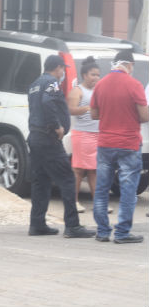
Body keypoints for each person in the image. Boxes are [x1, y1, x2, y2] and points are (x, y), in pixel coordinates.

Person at [27, 54, 95, 238]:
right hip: (48, 138)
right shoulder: (51, 82)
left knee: (41, 181)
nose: (63, 72)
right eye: (62, 69)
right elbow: (48, 102)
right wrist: (56, 125)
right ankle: (73, 226)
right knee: (68, 179)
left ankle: (37, 224)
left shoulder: (34, 84)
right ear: (57, 68)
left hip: (35, 137)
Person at [91, 49, 148, 243]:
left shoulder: (100, 85)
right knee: (128, 189)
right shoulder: (134, 85)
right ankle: (123, 233)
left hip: (105, 143)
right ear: (129, 65)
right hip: (128, 143)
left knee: (101, 189)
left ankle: (102, 232)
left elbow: (94, 114)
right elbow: (144, 116)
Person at [67, 57, 100, 213]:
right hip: (82, 134)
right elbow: (71, 110)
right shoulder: (77, 90)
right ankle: (73, 202)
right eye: (93, 74)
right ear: (85, 75)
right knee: (78, 170)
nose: (96, 78)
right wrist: (87, 108)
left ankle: (98, 203)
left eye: (97, 75)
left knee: (94, 170)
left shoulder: (98, 90)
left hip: (97, 135)